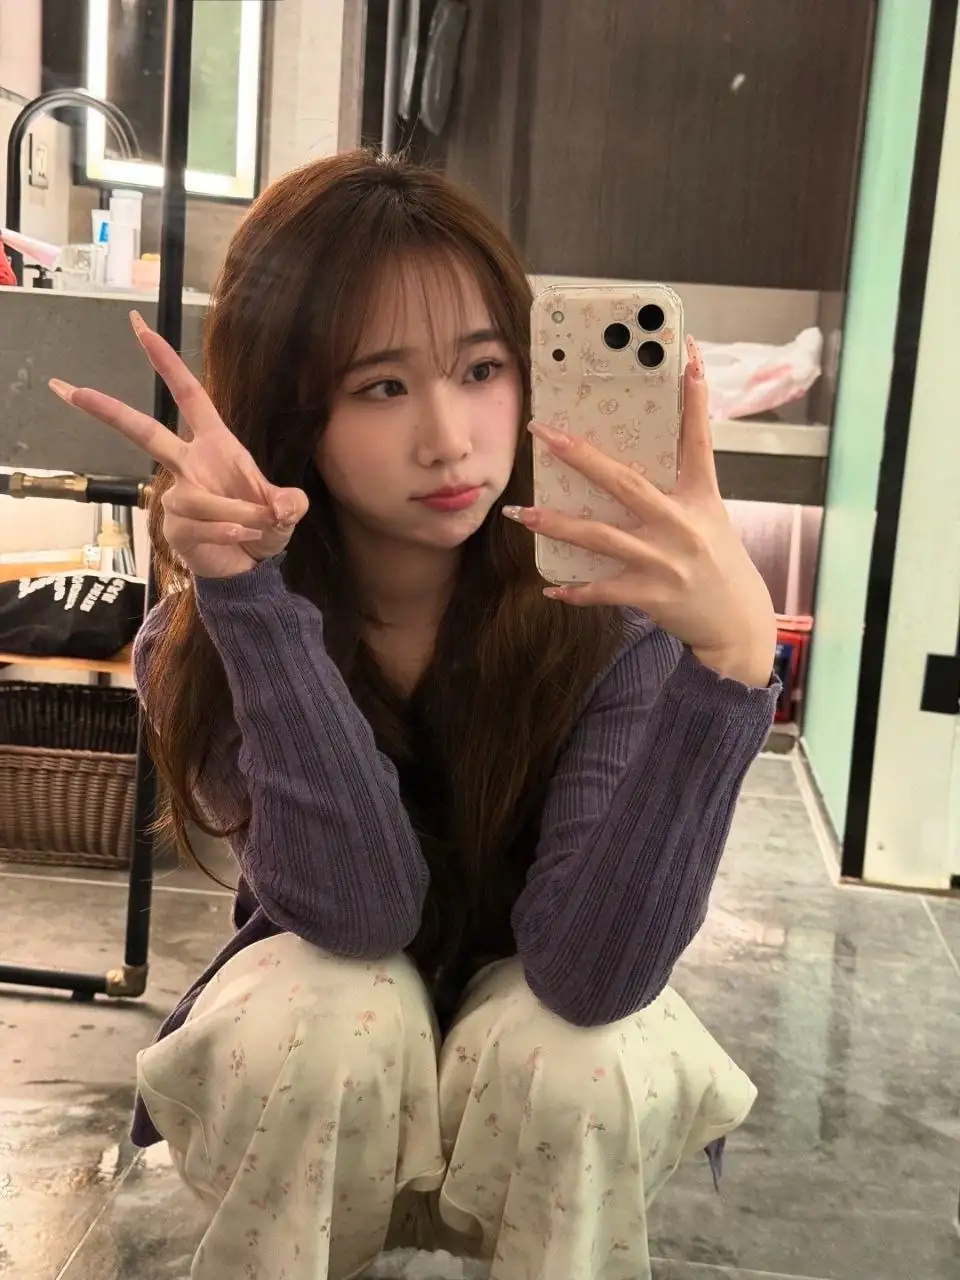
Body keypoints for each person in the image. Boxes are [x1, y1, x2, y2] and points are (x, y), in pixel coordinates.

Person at [50, 151, 778, 1280]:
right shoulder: (204, 644)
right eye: (381, 386)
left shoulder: (610, 629)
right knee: (331, 1000)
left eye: (482, 368)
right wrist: (249, 600)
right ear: (292, 411)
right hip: (324, 1065)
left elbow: (593, 978)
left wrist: (729, 668)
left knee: (583, 1053)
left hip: (534, 1067)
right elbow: (360, 912)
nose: (449, 438)